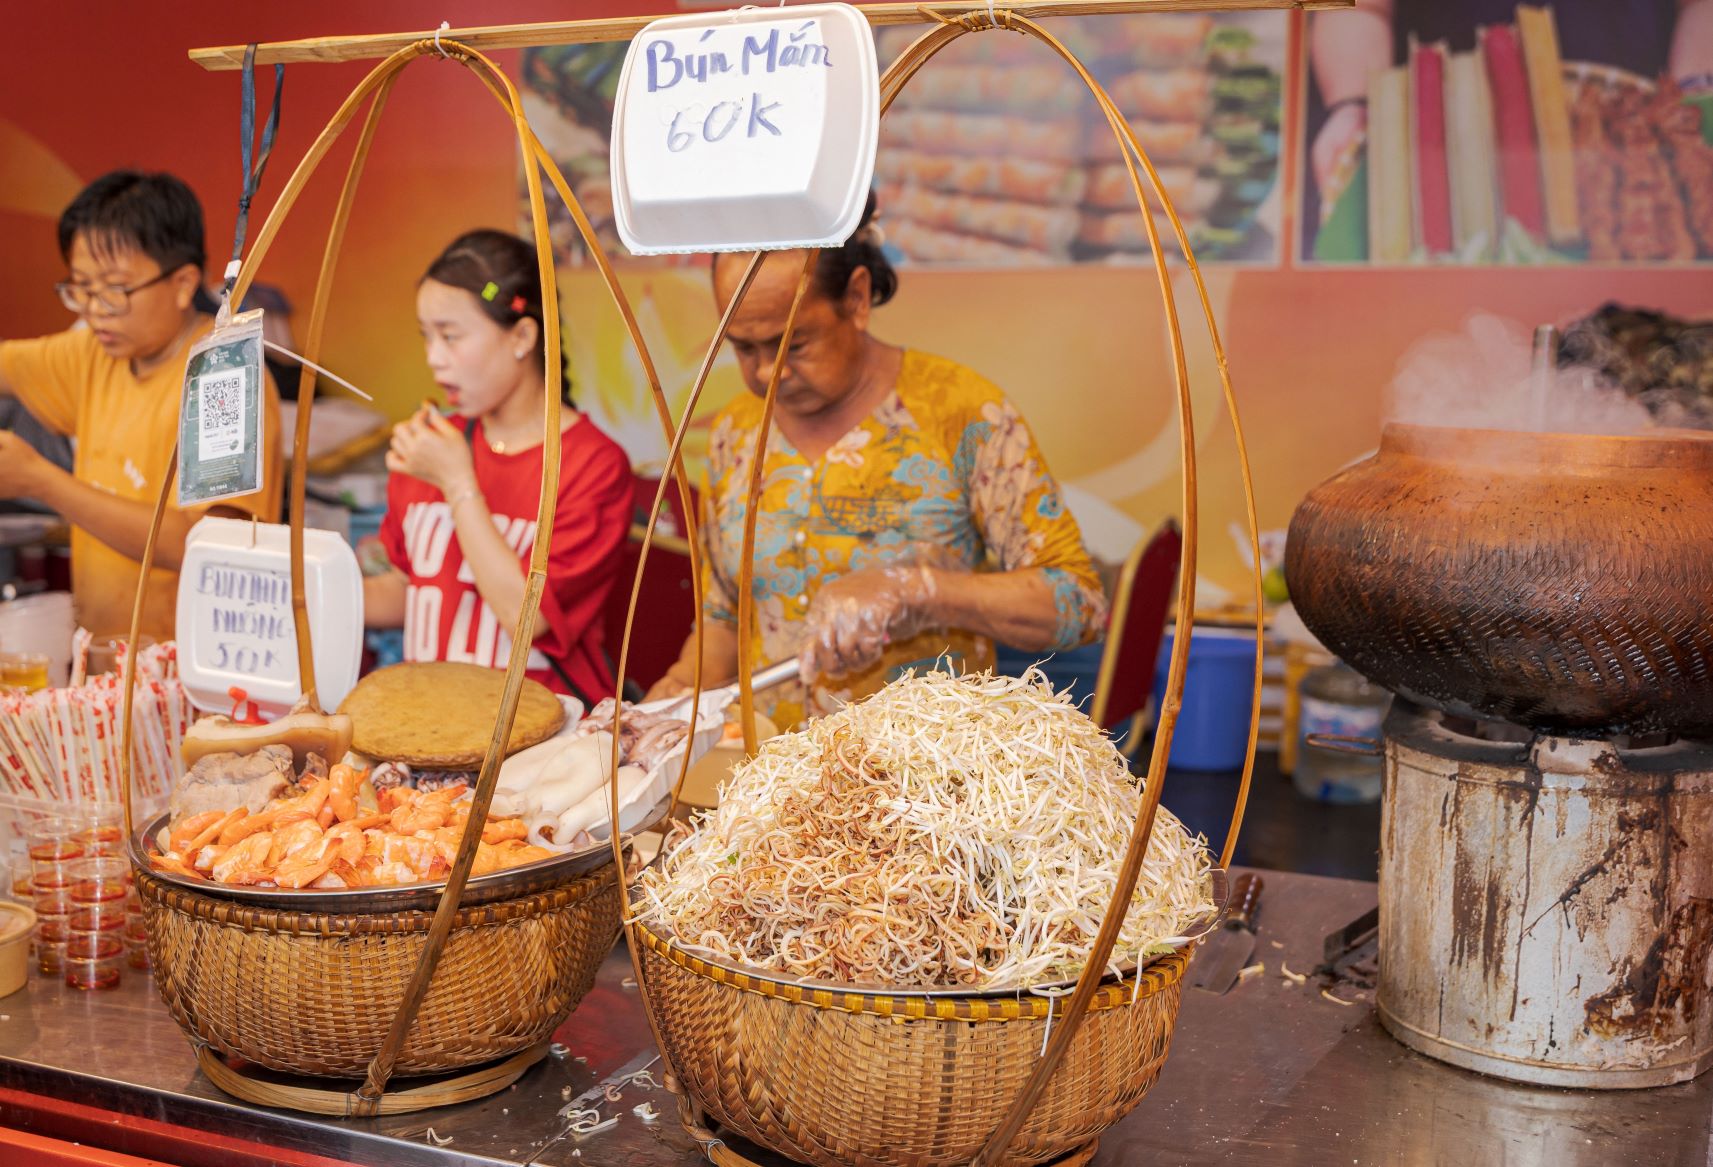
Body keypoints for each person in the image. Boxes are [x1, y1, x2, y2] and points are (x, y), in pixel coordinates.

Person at [645, 198, 1109, 727]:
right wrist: (684, 686)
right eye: (743, 348)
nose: (767, 373)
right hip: (769, 780)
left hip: (927, 781)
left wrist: (917, 591)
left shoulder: (961, 413)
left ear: (858, 299)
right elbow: (723, 617)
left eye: (792, 344)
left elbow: (1079, 605)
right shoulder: (734, 433)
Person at [0, 170, 283, 640]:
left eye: (114, 290)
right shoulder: (96, 352)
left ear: (181, 283)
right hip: (106, 664)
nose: (93, 312)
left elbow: (205, 544)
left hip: (190, 670)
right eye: (81, 290)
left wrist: (43, 482)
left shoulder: (222, 377)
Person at [364, 229, 633, 704]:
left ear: (523, 336)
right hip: (431, 729)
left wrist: (458, 484)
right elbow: (412, 588)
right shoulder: (434, 446)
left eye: (450, 336)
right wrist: (301, 590)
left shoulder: (592, 465)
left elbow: (528, 618)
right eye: (426, 336)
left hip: (542, 737)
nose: (433, 358)